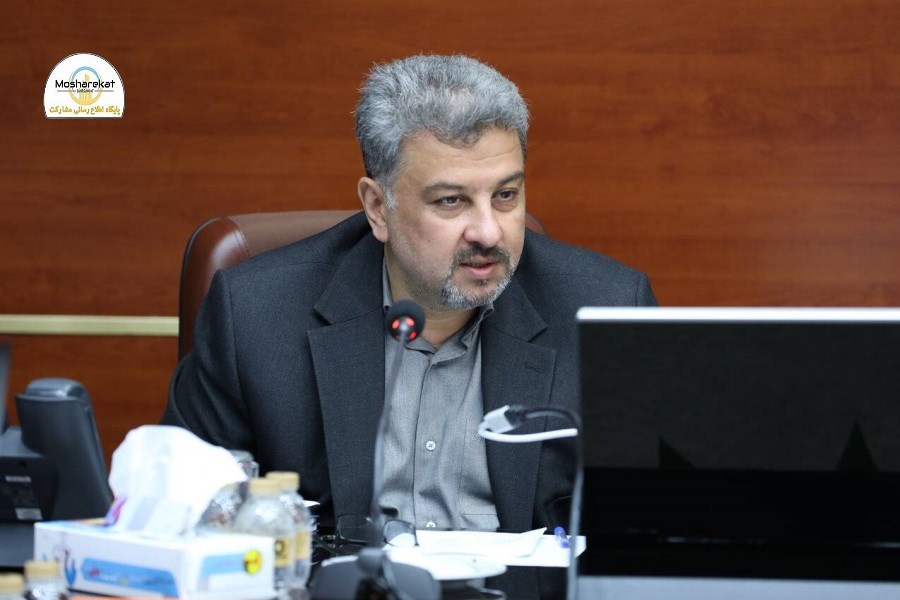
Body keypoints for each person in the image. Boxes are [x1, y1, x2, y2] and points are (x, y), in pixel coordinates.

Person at [162, 54, 657, 534]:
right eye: (451, 201)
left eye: (505, 195)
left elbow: (658, 523)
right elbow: (177, 517)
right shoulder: (256, 317)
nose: (489, 231)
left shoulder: (608, 312)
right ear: (378, 207)